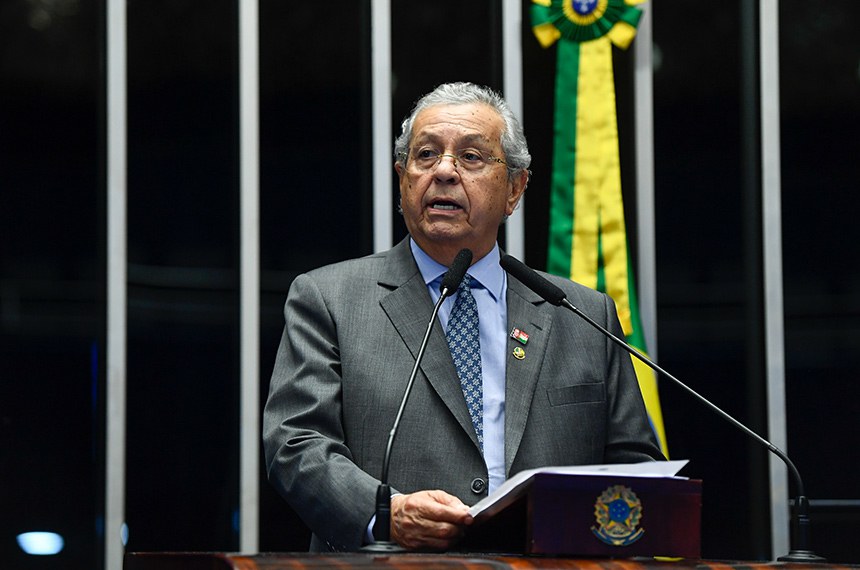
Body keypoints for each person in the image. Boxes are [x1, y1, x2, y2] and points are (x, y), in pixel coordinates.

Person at [263, 82, 664, 553]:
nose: (444, 171)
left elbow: (635, 469)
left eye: (471, 157)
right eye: (426, 155)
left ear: (515, 189)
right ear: (402, 178)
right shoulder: (330, 299)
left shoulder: (582, 315)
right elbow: (296, 443)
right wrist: (385, 513)